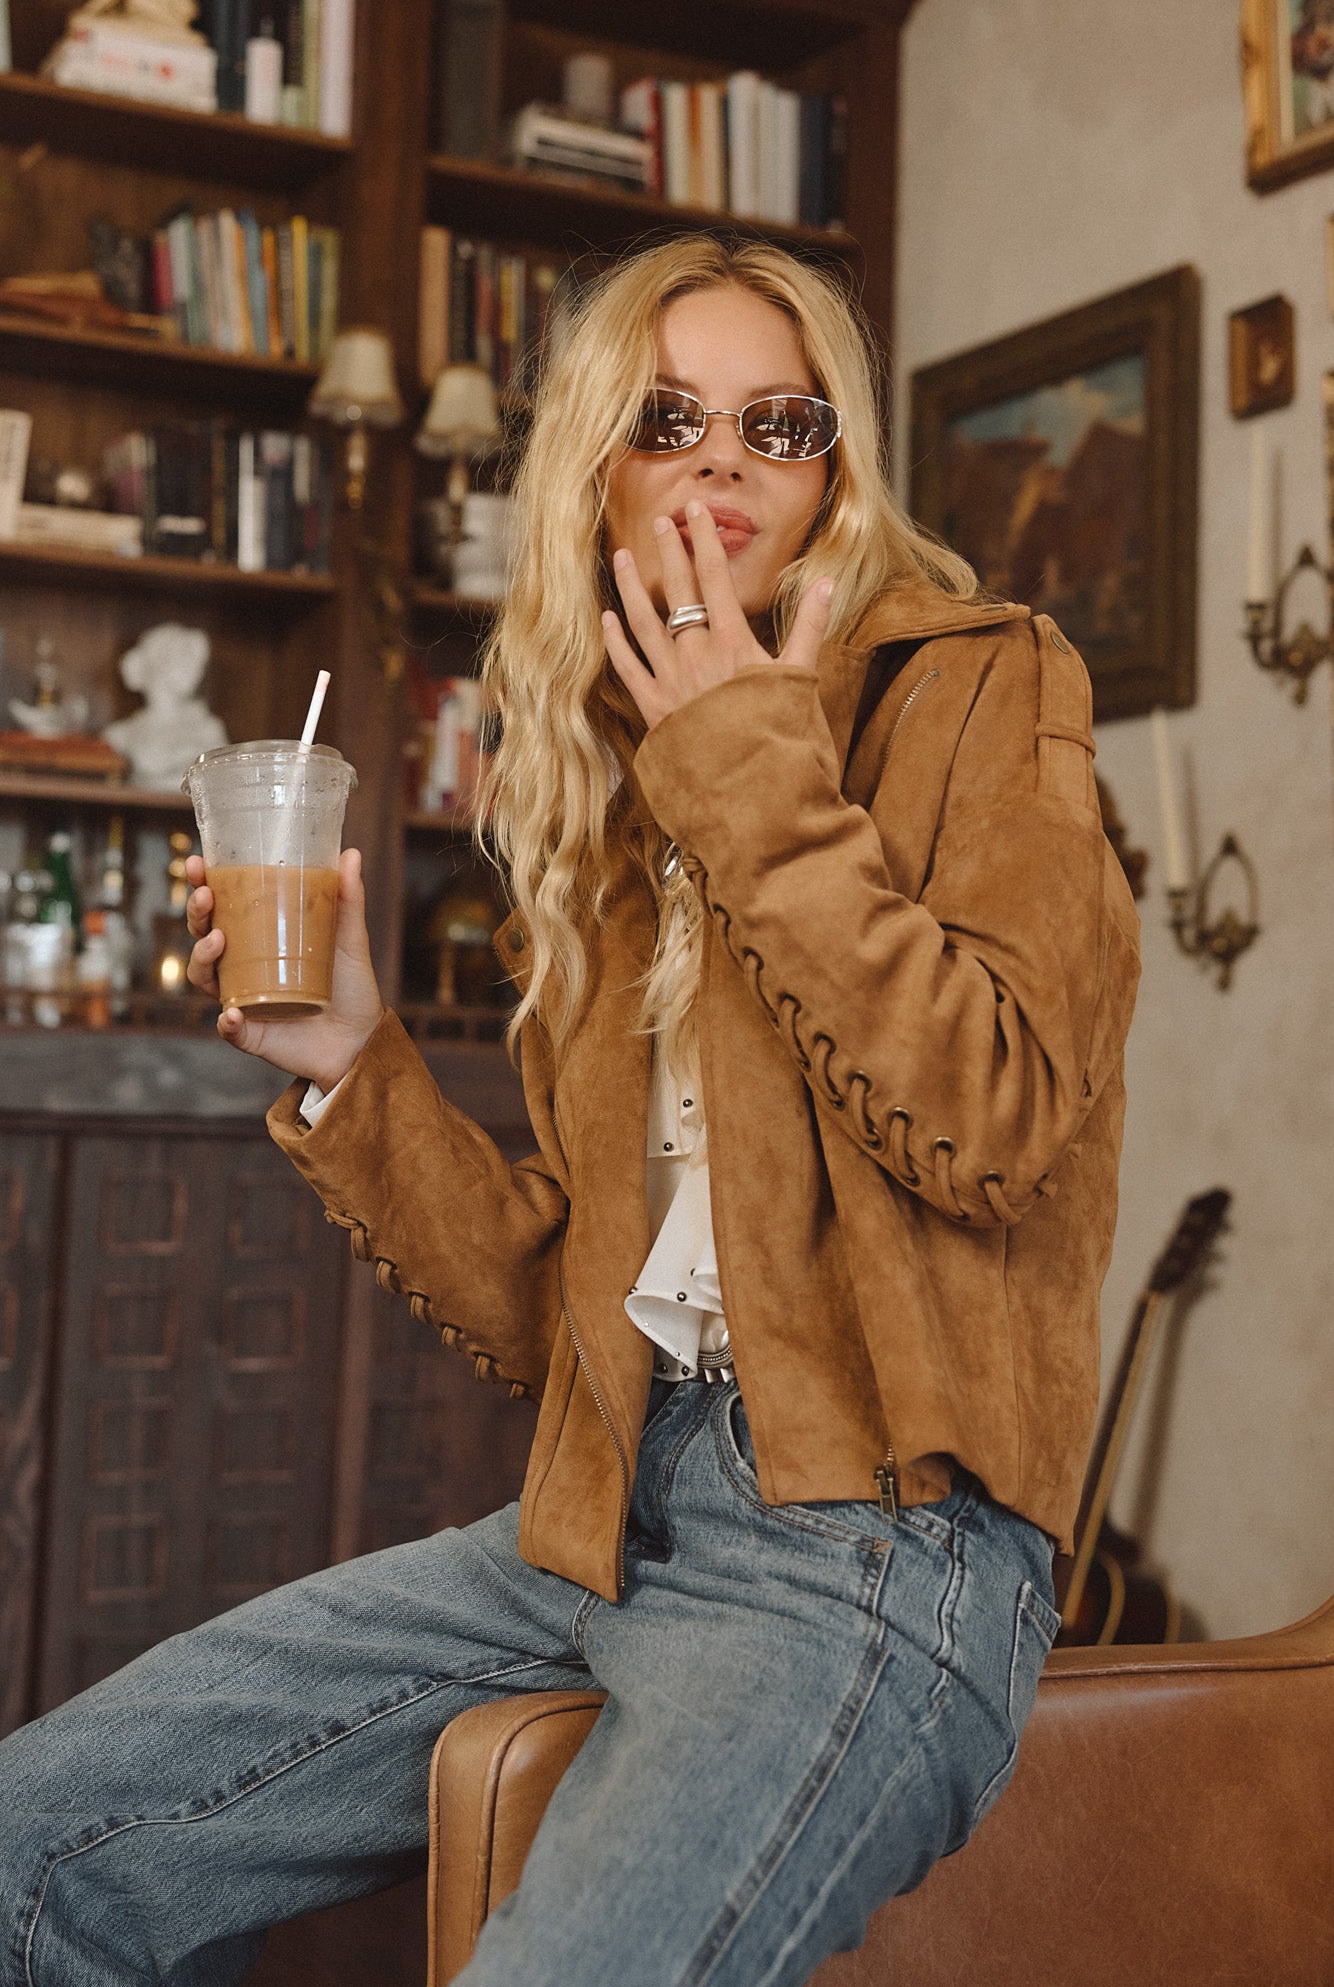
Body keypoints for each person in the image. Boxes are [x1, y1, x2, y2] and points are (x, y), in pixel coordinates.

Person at [0, 232, 1140, 1987]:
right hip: (605, 1522)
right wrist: (355, 1065)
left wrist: (748, 765)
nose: (721, 464)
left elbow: (993, 1115)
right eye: (668, 417)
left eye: (779, 424)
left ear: (836, 468)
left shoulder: (979, 681)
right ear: (594, 459)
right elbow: (573, 1317)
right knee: (30, 1845)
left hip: (876, 1541)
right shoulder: (605, 780)